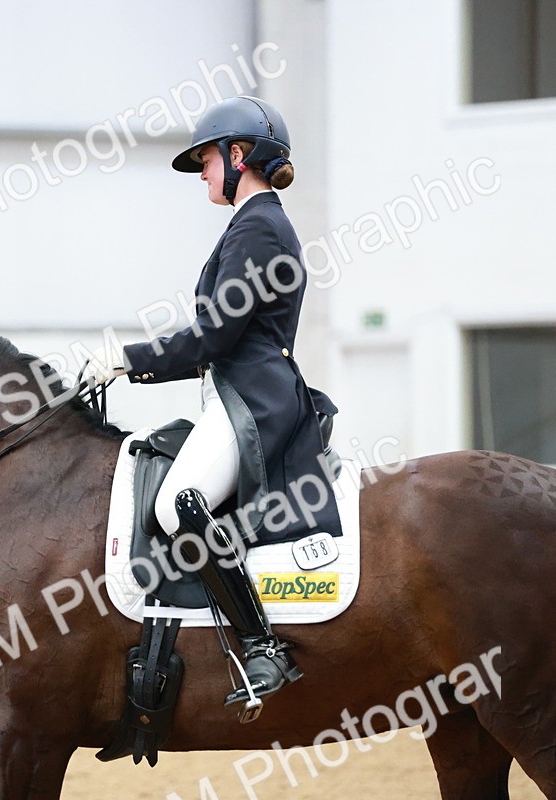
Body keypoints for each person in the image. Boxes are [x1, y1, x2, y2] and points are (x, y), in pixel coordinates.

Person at [87, 95, 341, 716]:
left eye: (205, 159)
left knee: (179, 504)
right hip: (238, 390)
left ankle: (261, 646)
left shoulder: (257, 227)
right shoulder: (253, 226)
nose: (201, 172)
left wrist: (129, 359)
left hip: (255, 398)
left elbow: (215, 336)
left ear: (238, 155)